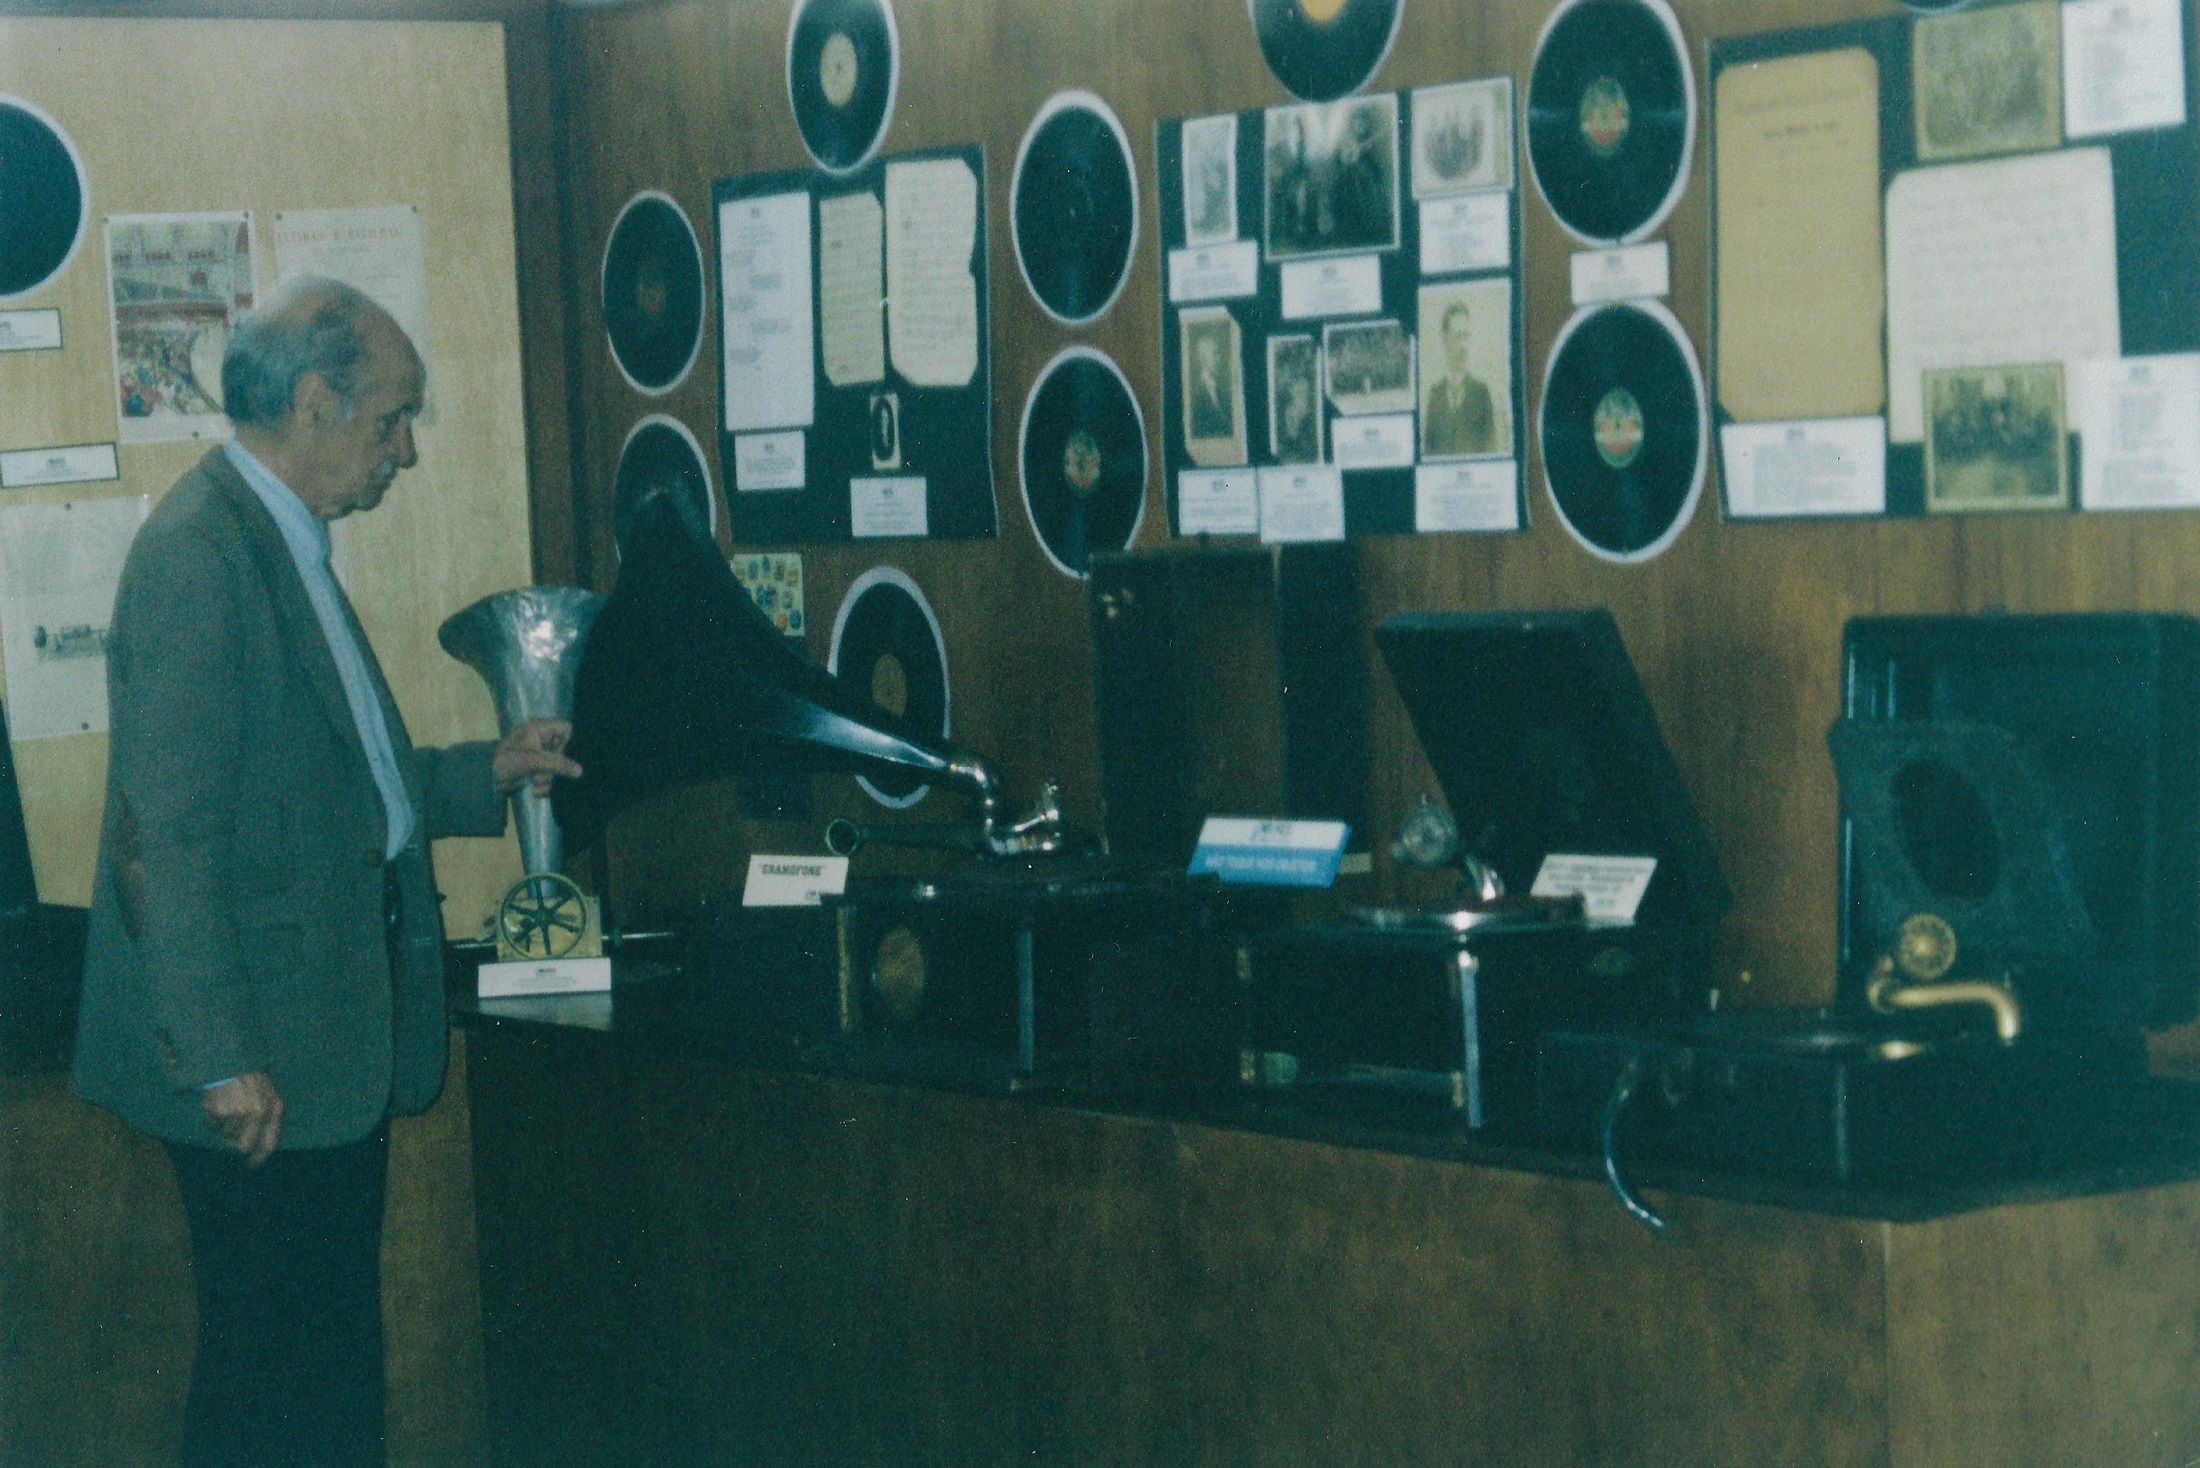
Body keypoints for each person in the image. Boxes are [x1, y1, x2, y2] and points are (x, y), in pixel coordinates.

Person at [70, 275, 581, 1468]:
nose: (405, 451)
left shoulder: (276, 539)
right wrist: (221, 1056)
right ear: (313, 402)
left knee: (318, 1374)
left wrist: (484, 772)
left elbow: (337, 783)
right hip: (264, 1060)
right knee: (274, 1389)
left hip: (315, 1043)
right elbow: (166, 836)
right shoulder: (200, 555)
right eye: (390, 420)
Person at [1422, 298, 1497, 458]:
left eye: (1466, 336)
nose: (1464, 346)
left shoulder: (1481, 393)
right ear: (1445, 340)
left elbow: (1491, 451)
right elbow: (1428, 453)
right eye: (1458, 336)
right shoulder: (1435, 395)